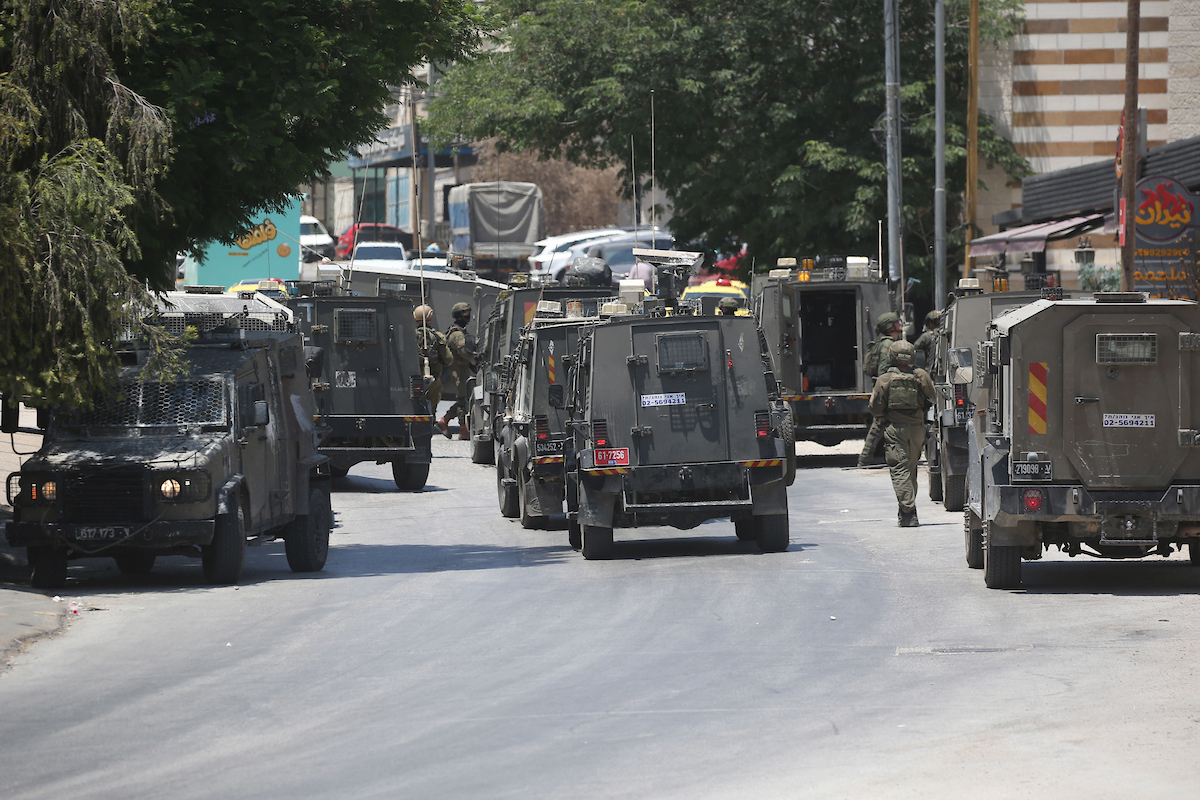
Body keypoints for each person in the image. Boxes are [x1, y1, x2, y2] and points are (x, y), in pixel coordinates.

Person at [868, 340, 935, 527]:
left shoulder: (885, 379)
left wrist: (881, 416)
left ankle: (908, 512)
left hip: (896, 429)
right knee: (910, 469)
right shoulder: (920, 375)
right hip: (918, 430)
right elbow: (934, 396)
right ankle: (905, 509)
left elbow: (875, 407)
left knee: (900, 469)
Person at [857, 312, 904, 467]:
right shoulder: (888, 345)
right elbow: (884, 370)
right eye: (897, 322)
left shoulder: (887, 343)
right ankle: (865, 458)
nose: (900, 324)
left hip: (884, 388)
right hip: (886, 389)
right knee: (879, 423)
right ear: (890, 326)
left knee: (884, 423)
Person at [438, 302, 478, 440]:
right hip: (458, 370)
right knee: (462, 400)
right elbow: (463, 351)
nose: (468, 316)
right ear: (458, 315)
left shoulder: (460, 331)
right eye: (465, 313)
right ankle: (463, 429)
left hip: (463, 368)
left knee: (465, 398)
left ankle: (445, 420)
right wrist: (475, 357)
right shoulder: (457, 333)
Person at [414, 305, 453, 412]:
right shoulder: (438, 336)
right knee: (431, 409)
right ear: (431, 318)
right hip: (433, 379)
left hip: (412, 380)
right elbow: (448, 359)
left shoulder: (408, 335)